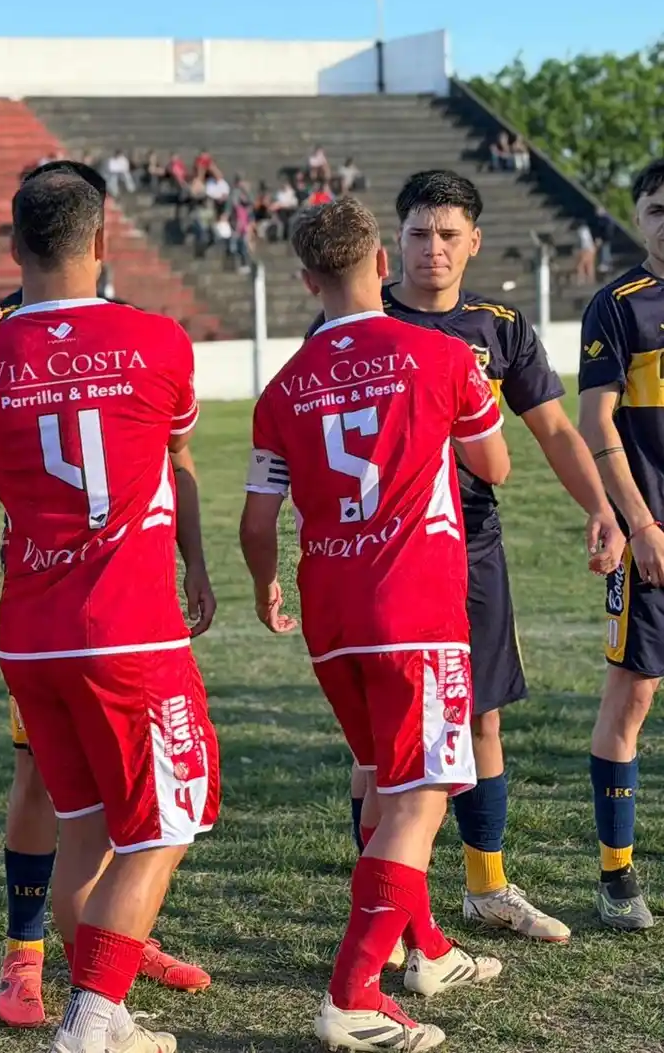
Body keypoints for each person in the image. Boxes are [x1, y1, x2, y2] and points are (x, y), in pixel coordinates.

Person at [0, 165, 217, 1053]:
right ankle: (91, 1016)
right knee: (170, 817)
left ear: (14, 249)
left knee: (88, 828)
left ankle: (109, 1009)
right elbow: (177, 445)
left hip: (33, 635)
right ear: (103, 243)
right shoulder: (159, 341)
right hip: (130, 628)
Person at [309, 171, 622, 945]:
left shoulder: (499, 326)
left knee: (482, 716)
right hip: (381, 556)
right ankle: (387, 908)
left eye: (449, 235)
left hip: (470, 547)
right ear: (393, 245)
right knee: (379, 745)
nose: (434, 249)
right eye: (419, 234)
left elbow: (552, 428)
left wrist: (600, 507)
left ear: (473, 243)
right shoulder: (358, 322)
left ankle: (487, 886)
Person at [241, 198, 515, 1050]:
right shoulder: (437, 353)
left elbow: (258, 521)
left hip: (332, 608)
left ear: (305, 280)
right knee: (422, 794)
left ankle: (426, 947)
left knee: (382, 773)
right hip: (415, 608)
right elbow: (493, 462)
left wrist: (266, 587)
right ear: (382, 267)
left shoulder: (282, 387)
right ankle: (353, 993)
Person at [576, 156, 664, 931]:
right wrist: (639, 522)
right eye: (659, 206)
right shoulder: (619, 306)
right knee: (633, 696)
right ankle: (616, 874)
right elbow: (595, 421)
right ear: (638, 217)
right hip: (652, 536)